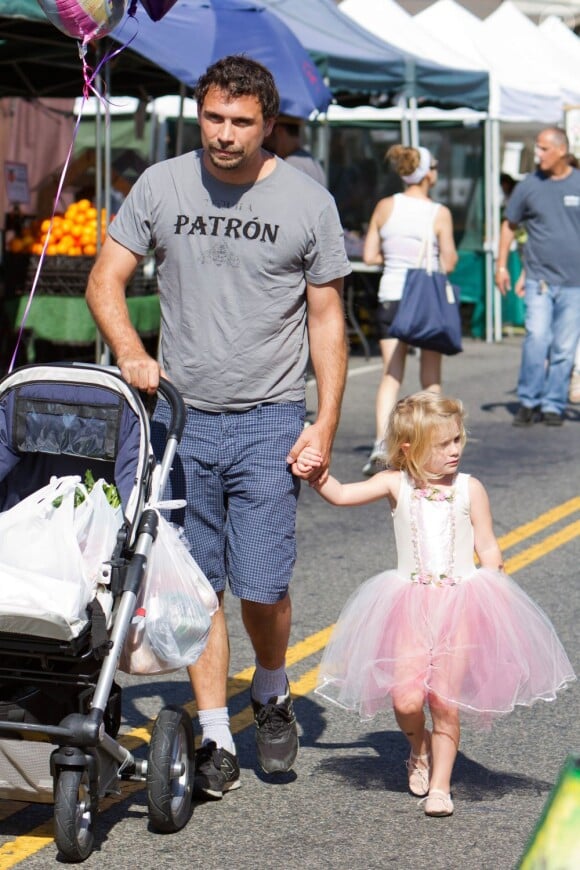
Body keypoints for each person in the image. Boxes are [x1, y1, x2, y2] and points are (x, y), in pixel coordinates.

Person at [85, 55, 350, 796]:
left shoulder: (306, 202)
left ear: (269, 126)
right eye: (213, 118)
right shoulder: (162, 185)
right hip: (181, 420)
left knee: (263, 587)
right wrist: (132, 353)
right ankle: (212, 734)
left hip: (271, 419)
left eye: (241, 122)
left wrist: (323, 422)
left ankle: (269, 689)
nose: (224, 134)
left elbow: (328, 322)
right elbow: (106, 279)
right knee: (197, 591)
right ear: (198, 113)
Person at [294, 391, 575, 817]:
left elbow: (488, 546)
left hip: (461, 603)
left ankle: (441, 786)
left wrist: (494, 586)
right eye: (443, 444)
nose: (455, 450)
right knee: (407, 700)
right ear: (409, 449)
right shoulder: (396, 483)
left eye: (458, 439)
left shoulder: (469, 488)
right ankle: (418, 747)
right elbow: (342, 494)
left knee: (444, 700)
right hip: (408, 602)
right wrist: (315, 473)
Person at [361, 145, 458, 476]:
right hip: (426, 302)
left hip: (392, 296)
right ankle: (433, 446)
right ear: (429, 172)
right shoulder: (438, 213)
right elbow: (449, 261)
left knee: (391, 374)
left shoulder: (385, 206)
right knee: (430, 378)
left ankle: (380, 444)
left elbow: (371, 255)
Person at [495, 127, 580, 427]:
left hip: (575, 283)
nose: (538, 154)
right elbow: (509, 224)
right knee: (537, 338)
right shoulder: (529, 185)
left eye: (543, 149)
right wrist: (502, 264)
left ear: (561, 151)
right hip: (539, 279)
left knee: (564, 347)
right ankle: (529, 400)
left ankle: (553, 404)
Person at [263, 115, 326, 185]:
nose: (265, 141)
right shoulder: (311, 160)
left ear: (280, 131)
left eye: (268, 132)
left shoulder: (292, 165)